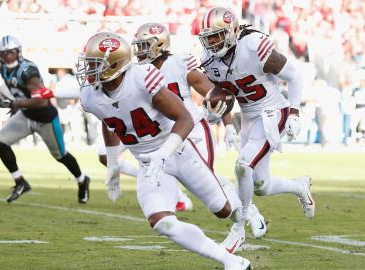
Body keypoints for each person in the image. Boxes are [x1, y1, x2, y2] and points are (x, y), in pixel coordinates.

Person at [77, 32, 251, 270]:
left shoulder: (142, 77)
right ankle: (231, 260)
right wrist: (113, 162)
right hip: (149, 165)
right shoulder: (90, 95)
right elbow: (107, 119)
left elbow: (185, 119)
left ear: (114, 65)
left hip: (179, 152)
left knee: (223, 210)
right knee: (162, 223)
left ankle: (243, 208)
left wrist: (163, 153)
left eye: (94, 63)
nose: (88, 69)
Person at [130, 22, 267, 234]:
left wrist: (227, 124)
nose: (139, 51)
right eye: (138, 46)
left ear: (158, 45)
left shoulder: (179, 63)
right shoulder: (136, 73)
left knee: (207, 177)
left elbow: (216, 94)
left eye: (144, 46)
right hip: (167, 135)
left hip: (192, 130)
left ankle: (249, 211)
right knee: (205, 185)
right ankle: (244, 212)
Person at [198, 7, 315, 253]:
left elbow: (295, 77)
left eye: (216, 35)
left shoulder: (253, 45)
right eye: (207, 37)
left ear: (231, 31)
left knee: (243, 165)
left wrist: (294, 112)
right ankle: (299, 187)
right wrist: (221, 119)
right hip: (250, 117)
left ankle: (239, 229)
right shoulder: (210, 60)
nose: (211, 42)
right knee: (261, 185)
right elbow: (223, 95)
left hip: (274, 112)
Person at [0, 35, 90, 204]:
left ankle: (82, 180)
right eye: (5, 53)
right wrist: (16, 105)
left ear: (18, 52)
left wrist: (14, 103)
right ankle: (20, 182)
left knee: (60, 155)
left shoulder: (27, 70)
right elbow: (21, 93)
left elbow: (41, 100)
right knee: (0, 143)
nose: (8, 56)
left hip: (45, 117)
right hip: (26, 115)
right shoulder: (3, 68)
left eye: (11, 52)